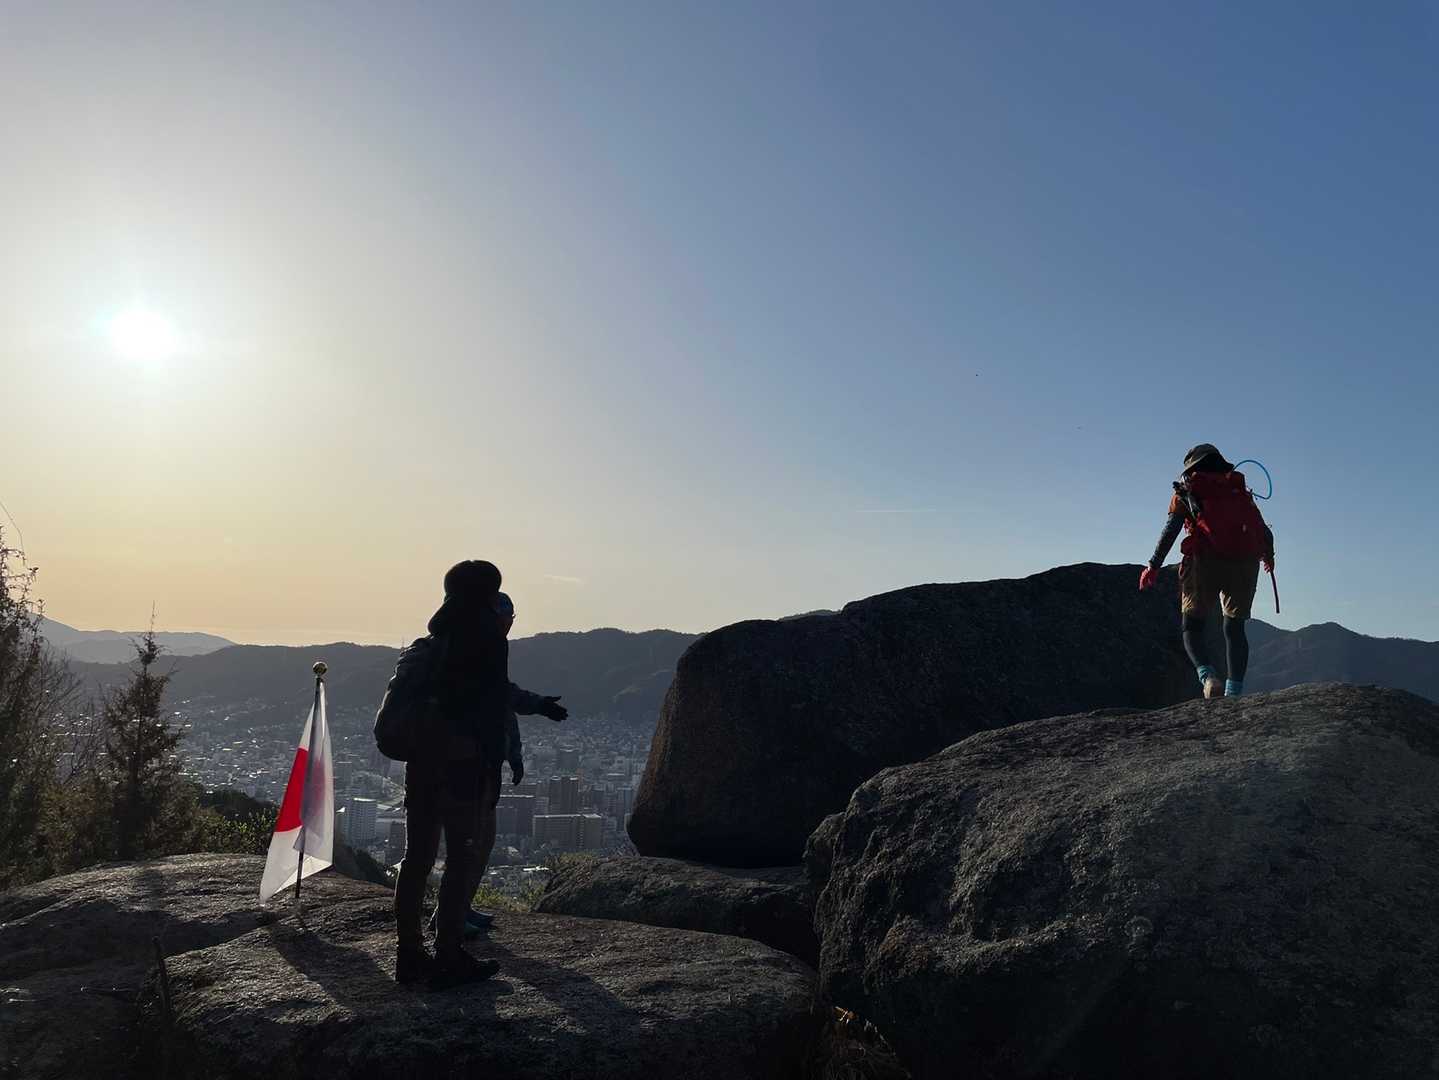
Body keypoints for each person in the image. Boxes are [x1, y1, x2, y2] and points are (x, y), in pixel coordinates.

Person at [392, 559, 511, 987]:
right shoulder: (484, 643)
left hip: (422, 765)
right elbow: (495, 701)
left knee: (417, 860)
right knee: (461, 860)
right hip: (463, 769)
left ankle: (409, 955)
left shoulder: (427, 643)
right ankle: (448, 954)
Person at [458, 591, 568, 931]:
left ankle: (460, 909)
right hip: (468, 763)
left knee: (481, 841)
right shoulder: (473, 652)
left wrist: (514, 756)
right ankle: (451, 917)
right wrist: (539, 705)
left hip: (482, 762)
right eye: (507, 618)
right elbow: (504, 696)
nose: (509, 625)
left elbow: (503, 705)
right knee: (471, 842)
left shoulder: (485, 650)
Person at [1139, 444, 1275, 699]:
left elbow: (1171, 530)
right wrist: (1269, 556)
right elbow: (1263, 531)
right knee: (1235, 629)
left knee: (1191, 627)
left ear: (1192, 467)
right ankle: (1234, 692)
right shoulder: (1238, 490)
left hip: (1204, 561)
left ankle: (1209, 677)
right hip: (1244, 564)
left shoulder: (1188, 491)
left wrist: (1153, 566)